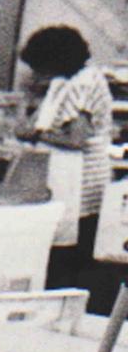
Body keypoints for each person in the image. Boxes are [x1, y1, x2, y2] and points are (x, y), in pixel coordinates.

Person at [21, 25, 115, 306]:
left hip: (83, 184)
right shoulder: (72, 81)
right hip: (77, 182)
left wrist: (35, 134)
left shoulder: (83, 84)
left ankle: (60, 310)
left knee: (70, 259)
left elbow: (76, 138)